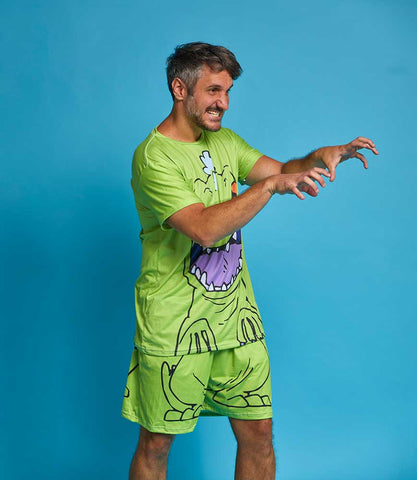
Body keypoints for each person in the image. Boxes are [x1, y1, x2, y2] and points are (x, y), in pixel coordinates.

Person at [122, 42, 379, 480]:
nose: (223, 103)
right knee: (157, 442)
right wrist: (269, 188)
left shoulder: (224, 140)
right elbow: (204, 228)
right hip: (174, 324)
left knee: (259, 433)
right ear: (180, 89)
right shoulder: (154, 157)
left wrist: (320, 156)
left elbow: (280, 170)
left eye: (227, 92)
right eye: (213, 91)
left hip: (236, 321)